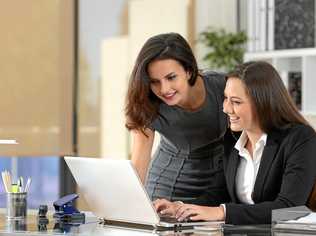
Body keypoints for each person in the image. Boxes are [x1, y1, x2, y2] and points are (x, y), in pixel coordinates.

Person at [154, 61, 316, 224]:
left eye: (236, 102)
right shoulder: (232, 138)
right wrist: (181, 208)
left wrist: (223, 212)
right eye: (225, 98)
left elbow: (289, 209)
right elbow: (217, 193)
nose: (226, 108)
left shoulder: (300, 138)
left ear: (263, 103)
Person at [125, 32, 229, 205]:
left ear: (188, 70)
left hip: (218, 188)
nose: (164, 89)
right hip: (165, 190)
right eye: (154, 81)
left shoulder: (223, 86)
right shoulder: (147, 101)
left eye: (171, 77)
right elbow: (138, 164)